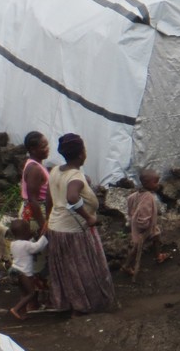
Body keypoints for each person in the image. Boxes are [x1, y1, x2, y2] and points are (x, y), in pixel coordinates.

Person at [45, 133, 115, 315]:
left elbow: (49, 197)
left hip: (56, 227)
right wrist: (88, 217)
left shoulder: (55, 171)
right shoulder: (75, 176)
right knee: (82, 270)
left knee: (67, 269)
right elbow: (72, 197)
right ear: (81, 154)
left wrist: (47, 219)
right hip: (73, 232)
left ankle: (68, 303)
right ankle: (85, 305)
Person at [122, 169, 166, 280]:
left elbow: (130, 200)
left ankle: (158, 256)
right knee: (137, 247)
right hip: (143, 228)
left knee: (156, 236)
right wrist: (144, 227)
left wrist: (131, 215)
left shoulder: (138, 193)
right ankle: (127, 266)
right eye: (155, 182)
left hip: (145, 225)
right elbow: (143, 215)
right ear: (147, 183)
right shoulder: (148, 197)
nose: (158, 184)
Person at [8, 219, 48, 320]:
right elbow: (37, 247)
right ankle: (16, 309)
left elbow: (29, 245)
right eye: (29, 230)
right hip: (23, 273)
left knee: (24, 293)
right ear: (25, 232)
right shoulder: (26, 245)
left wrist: (35, 237)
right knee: (31, 293)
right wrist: (45, 235)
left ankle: (22, 313)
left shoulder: (13, 244)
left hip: (14, 271)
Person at [20, 131, 50, 230]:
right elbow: (32, 199)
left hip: (37, 212)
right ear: (33, 150)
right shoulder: (34, 169)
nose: (47, 148)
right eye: (43, 147)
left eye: (47, 145)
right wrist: (43, 225)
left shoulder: (37, 165)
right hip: (38, 214)